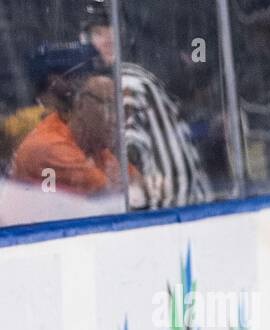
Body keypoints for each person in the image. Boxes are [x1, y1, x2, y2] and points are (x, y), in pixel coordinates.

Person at [80, 1, 212, 209]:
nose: (107, 40)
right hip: (188, 207)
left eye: (112, 29)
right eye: (98, 33)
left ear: (126, 33)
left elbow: (128, 155)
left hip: (173, 212)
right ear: (86, 40)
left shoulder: (126, 85)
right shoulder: (129, 78)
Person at [10, 54, 139, 199]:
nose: (119, 119)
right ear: (80, 104)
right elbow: (114, 198)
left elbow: (139, 185)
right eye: (110, 106)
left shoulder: (95, 148)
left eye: (124, 110)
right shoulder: (51, 148)